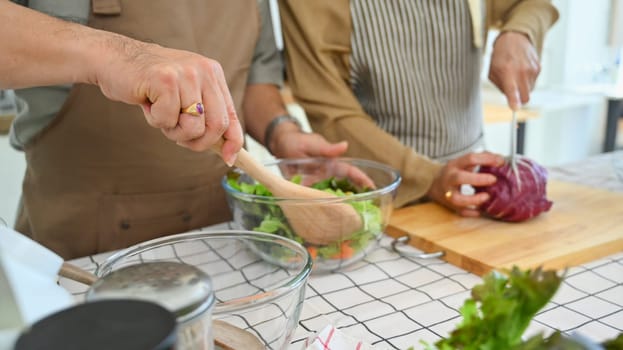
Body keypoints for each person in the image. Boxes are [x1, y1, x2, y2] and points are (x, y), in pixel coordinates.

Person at [8, 0, 344, 259]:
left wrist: (282, 132)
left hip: (225, 241)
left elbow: (255, 77)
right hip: (83, 252)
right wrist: (121, 53)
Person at [279, 0, 559, 216]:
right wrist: (429, 178)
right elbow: (331, 112)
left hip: (471, 192)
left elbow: (532, 4)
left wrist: (520, 32)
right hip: (382, 199)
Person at [0, 1, 241, 164]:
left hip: (232, 218)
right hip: (80, 225)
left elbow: (253, 73)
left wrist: (277, 128)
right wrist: (122, 55)